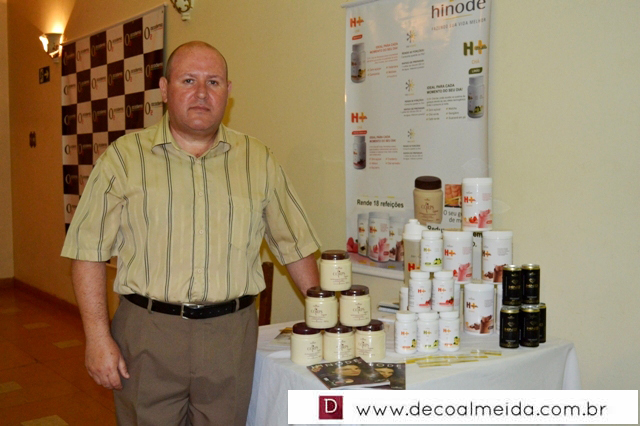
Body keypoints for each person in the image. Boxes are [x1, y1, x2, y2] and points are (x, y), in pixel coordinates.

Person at [61, 41, 321, 425]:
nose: (201, 93)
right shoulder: (123, 159)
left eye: (213, 82)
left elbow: (295, 246)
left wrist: (326, 320)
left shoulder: (259, 160)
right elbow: (88, 252)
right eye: (188, 80)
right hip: (148, 333)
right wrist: (97, 338)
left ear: (228, 92)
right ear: (165, 90)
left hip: (230, 335)